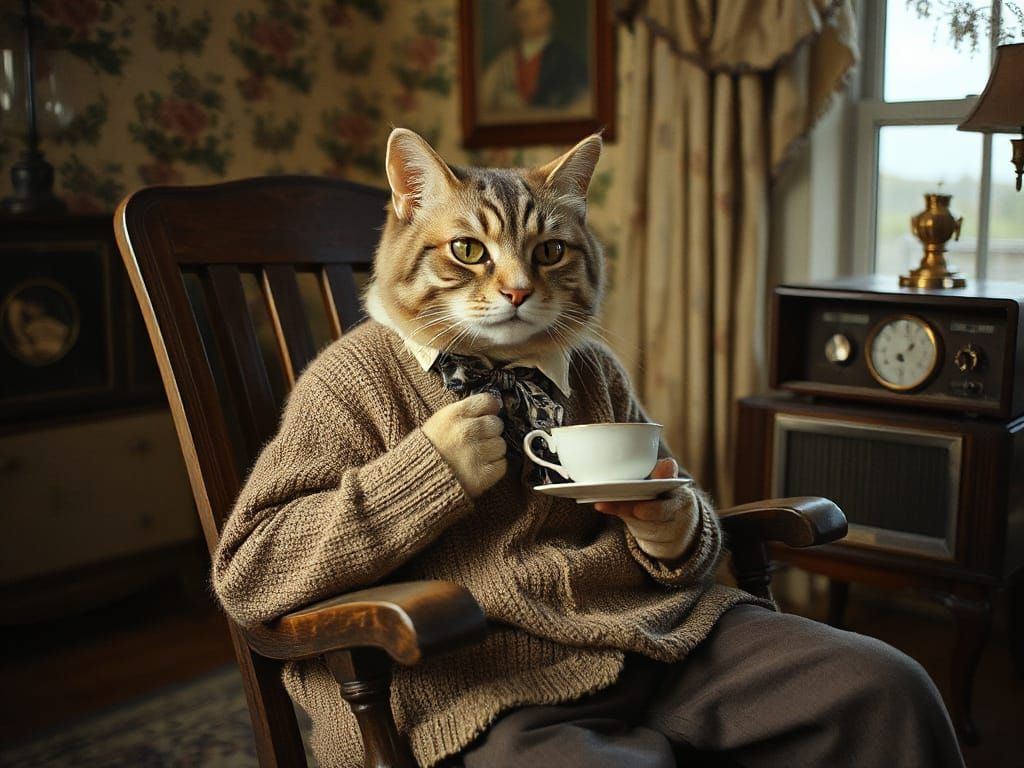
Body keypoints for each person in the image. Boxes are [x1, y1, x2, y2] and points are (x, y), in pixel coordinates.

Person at [213, 127, 966, 767]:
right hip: (479, 685)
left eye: (545, 255)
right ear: (409, 217)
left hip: (655, 639)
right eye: (471, 252)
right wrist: (421, 478)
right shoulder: (354, 380)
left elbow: (681, 524)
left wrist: (675, 527)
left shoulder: (591, 368)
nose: (514, 284)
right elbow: (251, 575)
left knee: (888, 688)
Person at [480, 0, 589, 115]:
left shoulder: (569, 60)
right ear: (515, 21)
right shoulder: (504, 61)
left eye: (540, 12)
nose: (534, 22)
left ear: (552, 14)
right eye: (525, 16)